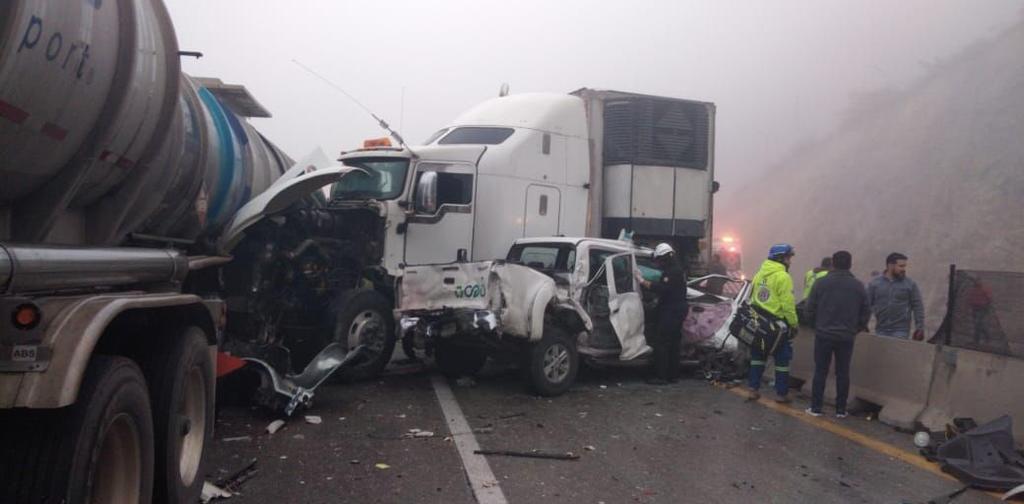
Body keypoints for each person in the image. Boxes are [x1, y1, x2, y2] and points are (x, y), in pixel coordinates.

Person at [803, 250, 869, 418]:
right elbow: (866, 312)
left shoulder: (821, 283)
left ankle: (816, 408)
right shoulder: (858, 286)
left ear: (833, 263)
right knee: (843, 372)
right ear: (850, 264)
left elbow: (809, 309)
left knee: (820, 371)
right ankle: (840, 409)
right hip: (846, 336)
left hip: (823, 334)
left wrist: (815, 326)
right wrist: (856, 329)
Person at [747, 243, 799, 402]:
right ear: (781, 258)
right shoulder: (783, 277)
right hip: (777, 326)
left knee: (757, 357)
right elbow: (788, 304)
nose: (790, 261)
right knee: (782, 360)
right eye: (789, 257)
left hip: (758, 322)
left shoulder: (759, 274)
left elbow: (752, 297)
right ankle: (781, 394)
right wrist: (794, 323)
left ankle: (752, 389)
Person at [638, 243, 688, 385]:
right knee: (673, 343)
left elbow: (663, 289)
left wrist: (643, 282)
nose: (659, 263)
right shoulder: (677, 270)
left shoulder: (672, 272)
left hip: (672, 310)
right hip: (677, 309)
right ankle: (672, 375)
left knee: (662, 342)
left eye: (660, 259)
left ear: (665, 257)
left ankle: (661, 377)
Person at [867, 253, 925, 340]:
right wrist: (862, 324)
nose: (903, 269)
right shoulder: (875, 284)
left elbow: (918, 306)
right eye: (901, 266)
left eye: (904, 266)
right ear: (890, 265)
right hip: (880, 329)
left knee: (895, 352)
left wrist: (919, 328)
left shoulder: (910, 284)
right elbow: (866, 305)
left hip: (901, 331)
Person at [967, 277, 993, 344]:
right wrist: (970, 305)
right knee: (978, 324)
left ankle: (976, 340)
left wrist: (987, 307)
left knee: (977, 323)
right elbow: (970, 299)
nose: (977, 282)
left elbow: (989, 299)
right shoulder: (972, 289)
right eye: (976, 281)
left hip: (982, 308)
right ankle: (987, 337)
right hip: (974, 308)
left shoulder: (985, 289)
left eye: (978, 281)